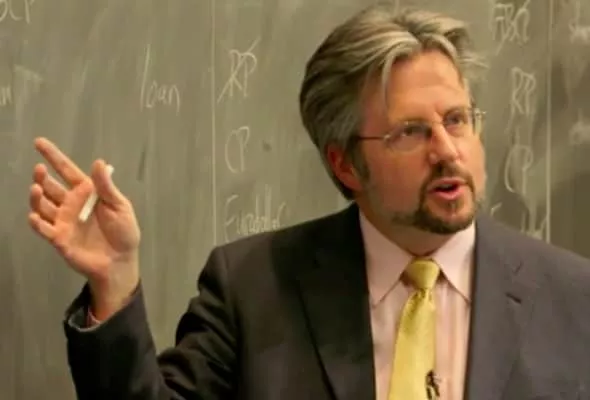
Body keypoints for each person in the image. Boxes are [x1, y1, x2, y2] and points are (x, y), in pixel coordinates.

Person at [28, 4, 590, 400]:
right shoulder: (252, 289)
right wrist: (116, 285)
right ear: (345, 164)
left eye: (457, 120)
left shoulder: (572, 298)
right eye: (410, 132)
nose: (447, 150)